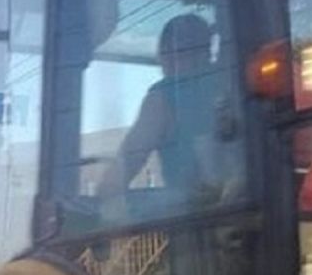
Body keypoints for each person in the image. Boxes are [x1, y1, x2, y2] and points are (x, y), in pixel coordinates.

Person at [98, 14, 228, 201]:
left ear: (168, 54)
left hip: (199, 218)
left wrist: (99, 201)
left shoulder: (163, 98)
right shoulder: (231, 82)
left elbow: (127, 164)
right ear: (207, 50)